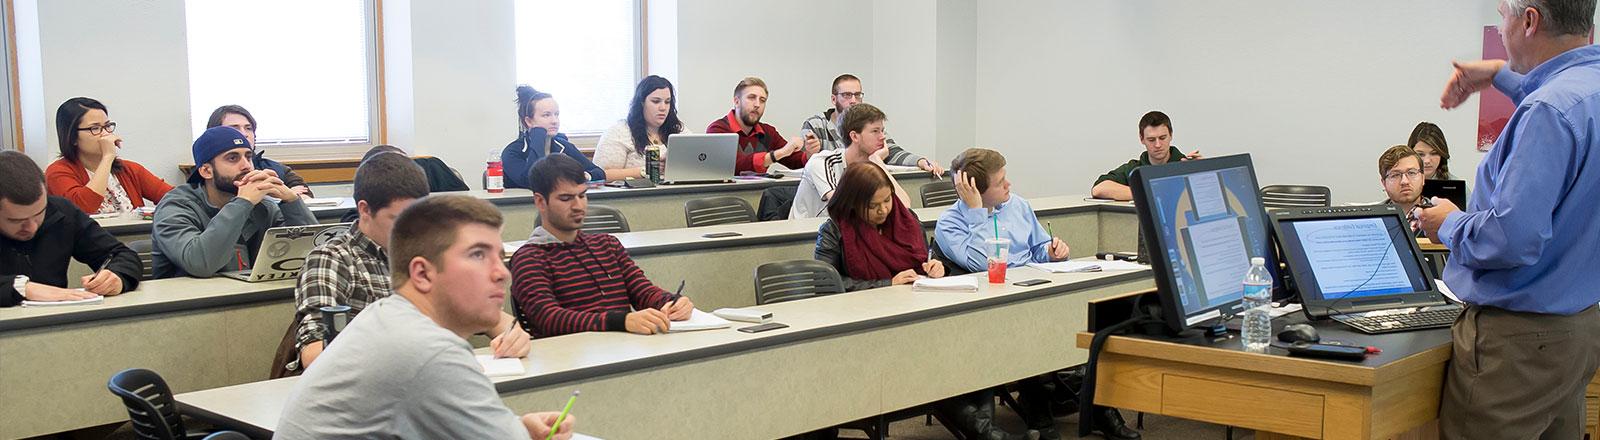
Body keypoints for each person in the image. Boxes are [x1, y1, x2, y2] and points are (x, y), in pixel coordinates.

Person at [1420, 1, 1600, 438]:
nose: (1501, 30)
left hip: (1518, 344)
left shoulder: (1548, 110)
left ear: (1530, 20)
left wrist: (1448, 221)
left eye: (1504, 16)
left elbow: (1512, 240)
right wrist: (1501, 75)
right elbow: (1565, 116)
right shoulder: (1587, 89)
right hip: (1576, 329)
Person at [275, 195, 573, 440]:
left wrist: (519, 430)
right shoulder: (430, 350)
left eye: (500, 257)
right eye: (478, 255)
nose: (502, 273)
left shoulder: (387, 317)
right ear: (422, 273)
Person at [935, 148, 1139, 440]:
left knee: (1088, 325)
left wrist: (1052, 252)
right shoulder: (950, 223)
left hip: (1035, 291)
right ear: (977, 192)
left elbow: (1038, 248)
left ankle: (1099, 410)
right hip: (995, 308)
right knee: (1037, 330)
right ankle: (1041, 410)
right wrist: (977, 212)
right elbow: (983, 263)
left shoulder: (1017, 206)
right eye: (1000, 182)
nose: (1009, 186)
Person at [290, 153, 530, 373]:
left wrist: (513, 336)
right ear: (365, 210)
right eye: (400, 219)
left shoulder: (433, 254)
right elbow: (313, 355)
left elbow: (493, 319)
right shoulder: (332, 260)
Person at [510, 154, 694, 337]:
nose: (578, 206)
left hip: (623, 350)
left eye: (582, 195)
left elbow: (642, 291)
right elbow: (548, 319)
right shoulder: (529, 259)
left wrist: (671, 302)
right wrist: (621, 321)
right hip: (570, 358)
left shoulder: (607, 245)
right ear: (541, 202)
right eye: (566, 198)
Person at [150, 126, 317, 278]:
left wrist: (292, 202)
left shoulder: (263, 206)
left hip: (247, 302)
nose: (246, 166)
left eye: (248, 156)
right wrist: (243, 202)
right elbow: (200, 264)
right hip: (187, 306)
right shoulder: (174, 206)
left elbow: (316, 259)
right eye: (232, 158)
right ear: (206, 171)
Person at [1, 151, 139, 307]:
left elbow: (122, 255)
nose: (32, 227)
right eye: (17, 220)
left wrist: (116, 276)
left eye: (39, 213)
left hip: (57, 321)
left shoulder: (61, 212)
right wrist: (22, 288)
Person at [45, 97, 173, 215]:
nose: (106, 134)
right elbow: (83, 208)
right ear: (72, 137)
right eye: (95, 128)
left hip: (132, 237)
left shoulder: (129, 169)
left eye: (107, 126)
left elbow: (176, 198)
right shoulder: (57, 172)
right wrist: (107, 157)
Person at [799, 74, 944, 177]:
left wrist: (921, 161)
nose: (853, 100)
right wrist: (811, 153)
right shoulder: (816, 124)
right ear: (833, 99)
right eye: (847, 95)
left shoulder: (869, 123)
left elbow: (893, 152)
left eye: (858, 95)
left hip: (864, 185)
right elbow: (811, 164)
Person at [790, 103, 910, 219]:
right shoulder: (822, 162)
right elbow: (842, 209)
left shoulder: (872, 164)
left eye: (882, 130)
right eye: (875, 131)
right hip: (807, 235)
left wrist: (878, 162)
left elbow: (905, 207)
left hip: (848, 232)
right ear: (854, 136)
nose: (883, 137)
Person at [707, 76, 821, 174]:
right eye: (751, 98)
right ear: (736, 101)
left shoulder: (768, 132)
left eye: (762, 100)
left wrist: (810, 154)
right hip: (724, 196)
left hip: (758, 193)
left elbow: (794, 161)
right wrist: (779, 153)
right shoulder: (717, 129)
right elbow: (735, 165)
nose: (757, 104)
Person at [502, 86, 606, 189]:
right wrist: (538, 135)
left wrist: (584, 176)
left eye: (556, 114)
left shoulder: (563, 146)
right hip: (522, 204)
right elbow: (531, 181)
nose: (554, 121)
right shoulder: (512, 152)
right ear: (529, 121)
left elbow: (599, 173)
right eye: (546, 115)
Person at [592, 75, 693, 180]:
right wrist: (646, 170)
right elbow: (601, 175)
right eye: (655, 101)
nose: (663, 108)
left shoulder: (679, 129)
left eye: (667, 102)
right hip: (633, 194)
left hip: (677, 191)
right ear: (641, 103)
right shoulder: (619, 132)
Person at [1089, 111, 1202, 201]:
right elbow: (1099, 189)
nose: (1158, 145)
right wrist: (1147, 194)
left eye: (1162, 138)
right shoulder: (1134, 168)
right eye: (1151, 140)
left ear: (1171, 135)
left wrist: (1203, 171)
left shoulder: (1186, 165)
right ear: (1142, 139)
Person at [206, 105, 313, 196]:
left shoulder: (275, 169)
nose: (244, 134)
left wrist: (288, 197)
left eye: (248, 128)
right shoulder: (208, 173)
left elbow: (304, 195)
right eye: (235, 129)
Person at [1376, 145, 1426, 236]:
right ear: (1384, 183)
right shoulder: (1374, 217)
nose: (1404, 181)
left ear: (1423, 178)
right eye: (1395, 175)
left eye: (1411, 173)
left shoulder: (1440, 216)